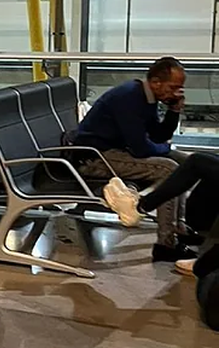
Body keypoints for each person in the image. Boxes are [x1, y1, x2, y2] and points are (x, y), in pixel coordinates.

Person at [70, 56, 194, 262]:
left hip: (117, 152)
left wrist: (174, 110)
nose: (177, 93)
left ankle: (179, 227)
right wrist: (164, 148)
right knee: (169, 169)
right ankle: (166, 243)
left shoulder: (147, 97)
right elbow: (141, 149)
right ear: (156, 82)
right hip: (95, 158)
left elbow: (157, 135)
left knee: (188, 164)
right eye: (174, 87)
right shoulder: (129, 98)